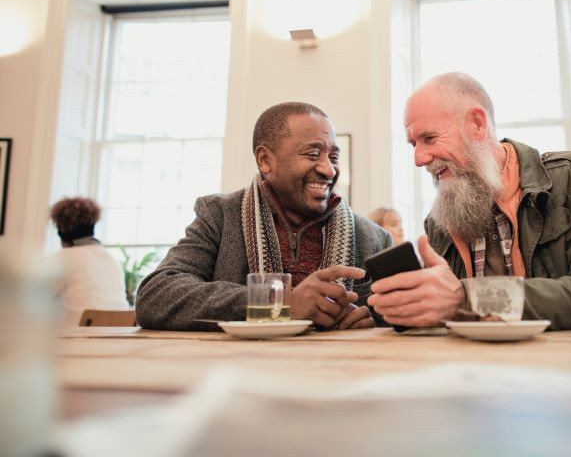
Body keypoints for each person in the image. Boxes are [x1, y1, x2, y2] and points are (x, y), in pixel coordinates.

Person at [367, 73, 571, 330]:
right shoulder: (439, 220)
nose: (419, 158)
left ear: (478, 124)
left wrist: (469, 298)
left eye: (429, 138)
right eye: (413, 144)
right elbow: (442, 312)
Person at [135, 102, 392, 331]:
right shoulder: (220, 215)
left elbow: (394, 318)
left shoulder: (374, 237)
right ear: (265, 160)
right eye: (313, 154)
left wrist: (370, 322)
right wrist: (279, 303)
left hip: (337, 376)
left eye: (333, 157)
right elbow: (156, 296)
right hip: (236, 374)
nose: (328, 168)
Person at [48, 197, 128, 325]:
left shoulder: (60, 260)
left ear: (61, 230)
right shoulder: (112, 260)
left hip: (75, 338)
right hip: (115, 336)